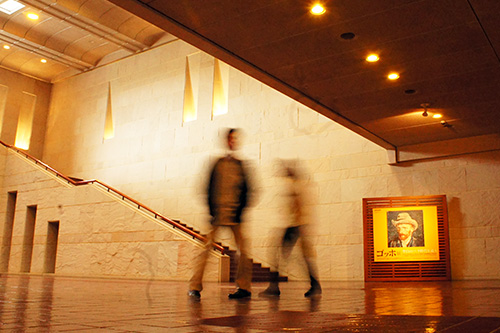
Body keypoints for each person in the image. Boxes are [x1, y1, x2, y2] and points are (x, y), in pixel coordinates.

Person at [188, 128, 253, 300]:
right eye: (231, 139)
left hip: (235, 215)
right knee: (205, 251)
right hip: (217, 215)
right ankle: (194, 286)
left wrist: (241, 210)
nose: (233, 142)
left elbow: (248, 190)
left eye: (235, 139)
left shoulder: (241, 165)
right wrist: (212, 211)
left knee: (244, 251)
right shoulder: (217, 164)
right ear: (226, 141)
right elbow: (208, 188)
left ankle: (244, 287)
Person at [260, 163, 321, 298]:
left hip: (294, 226)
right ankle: (314, 284)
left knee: (276, 254)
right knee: (302, 257)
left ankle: (274, 287)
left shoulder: (296, 187)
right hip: (296, 225)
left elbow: (298, 208)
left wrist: (295, 225)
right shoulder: (299, 186)